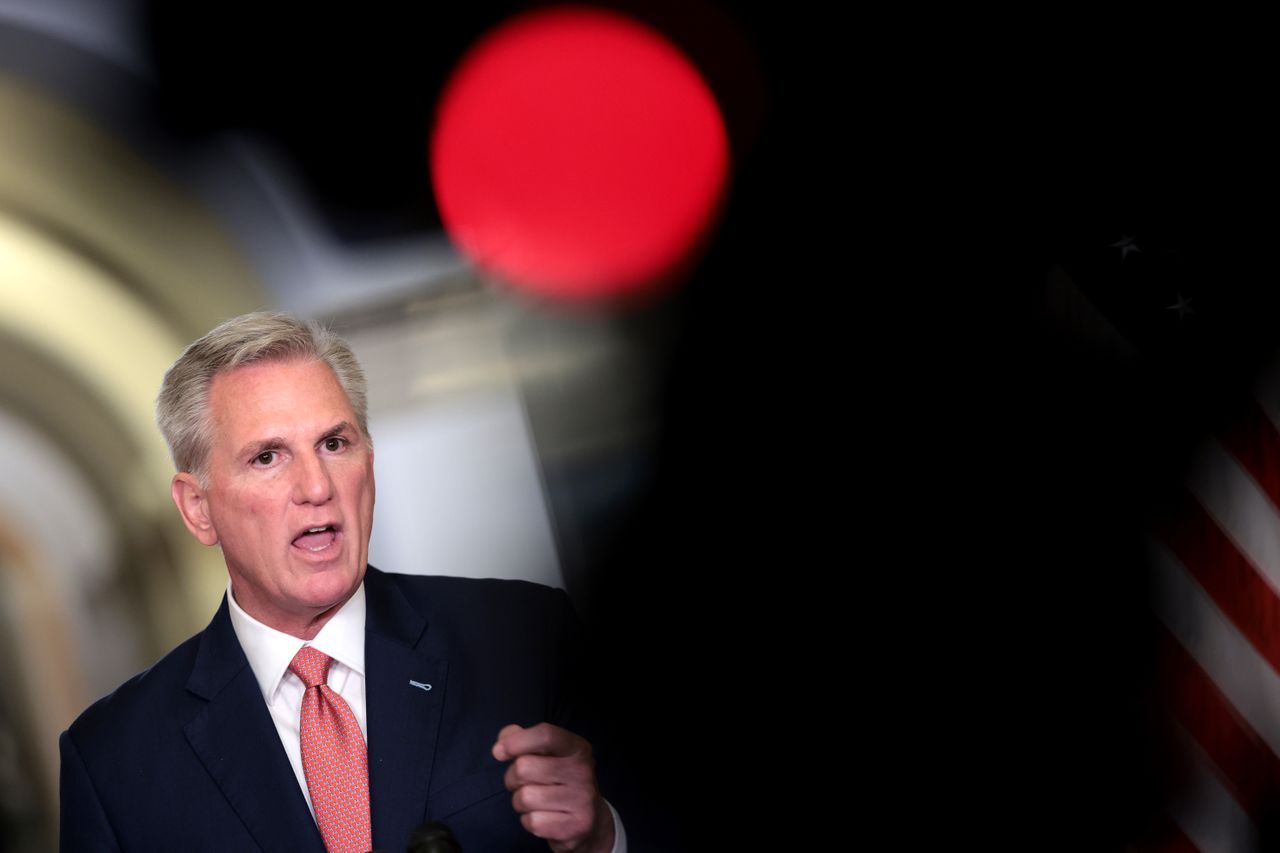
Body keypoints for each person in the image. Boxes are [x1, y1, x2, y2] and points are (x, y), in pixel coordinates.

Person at [58, 312, 625, 853]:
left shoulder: (522, 637)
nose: (316, 486)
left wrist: (602, 836)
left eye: (334, 444)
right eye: (267, 457)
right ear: (199, 509)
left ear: (369, 465)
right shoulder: (113, 760)